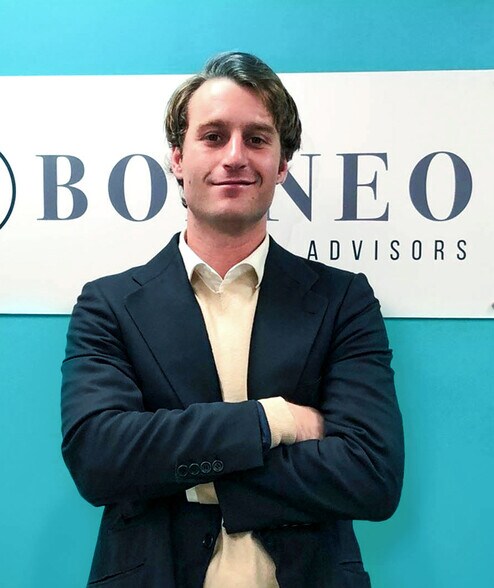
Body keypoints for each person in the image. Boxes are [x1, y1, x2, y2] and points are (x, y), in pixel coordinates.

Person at [61, 51, 404, 588]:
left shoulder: (343, 300)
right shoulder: (108, 305)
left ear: (282, 164)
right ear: (178, 158)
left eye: (257, 139)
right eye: (214, 136)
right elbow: (99, 458)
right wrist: (277, 421)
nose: (235, 156)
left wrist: (181, 473)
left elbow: (371, 476)